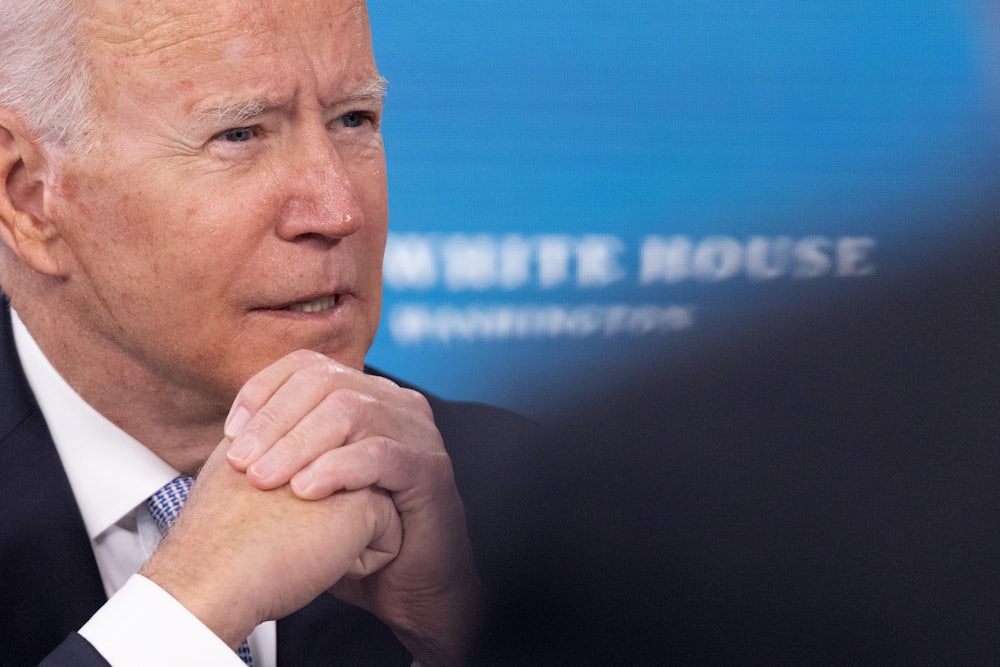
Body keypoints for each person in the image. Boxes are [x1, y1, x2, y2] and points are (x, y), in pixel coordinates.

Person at [0, 0, 538, 665]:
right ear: (28, 194)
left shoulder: (535, 505)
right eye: (241, 134)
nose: (338, 209)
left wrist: (465, 635)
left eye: (354, 119)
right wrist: (185, 613)